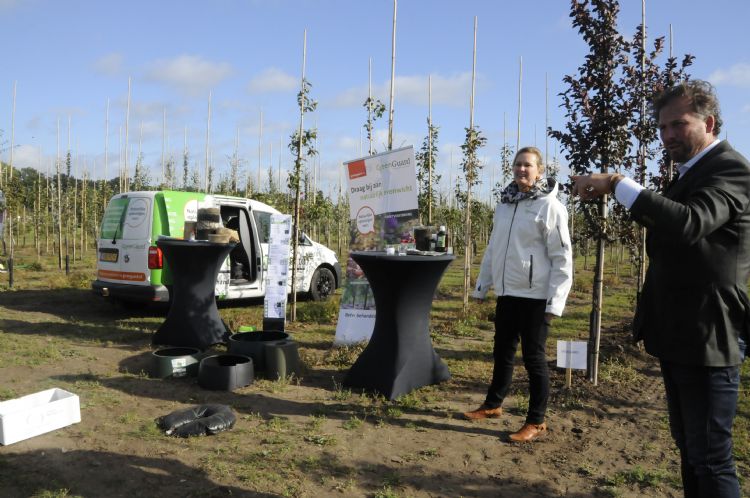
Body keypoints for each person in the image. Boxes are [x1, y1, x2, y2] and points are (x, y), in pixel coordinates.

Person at [572, 80, 748, 498]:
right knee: (690, 450)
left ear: (708, 122)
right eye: (662, 127)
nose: (668, 135)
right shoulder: (690, 173)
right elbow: (667, 223)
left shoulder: (730, 169)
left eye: (678, 124)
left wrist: (617, 182)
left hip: (709, 335)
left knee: (711, 457)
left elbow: (690, 223)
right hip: (678, 332)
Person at [465, 146, 573, 443]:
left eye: (528, 165)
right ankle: (493, 404)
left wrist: (555, 301)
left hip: (536, 297)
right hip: (508, 292)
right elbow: (493, 248)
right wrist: (482, 285)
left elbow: (562, 258)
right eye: (517, 165)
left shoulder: (550, 207)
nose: (521, 170)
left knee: (534, 360)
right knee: (502, 352)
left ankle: (536, 420)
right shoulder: (506, 204)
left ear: (540, 171)